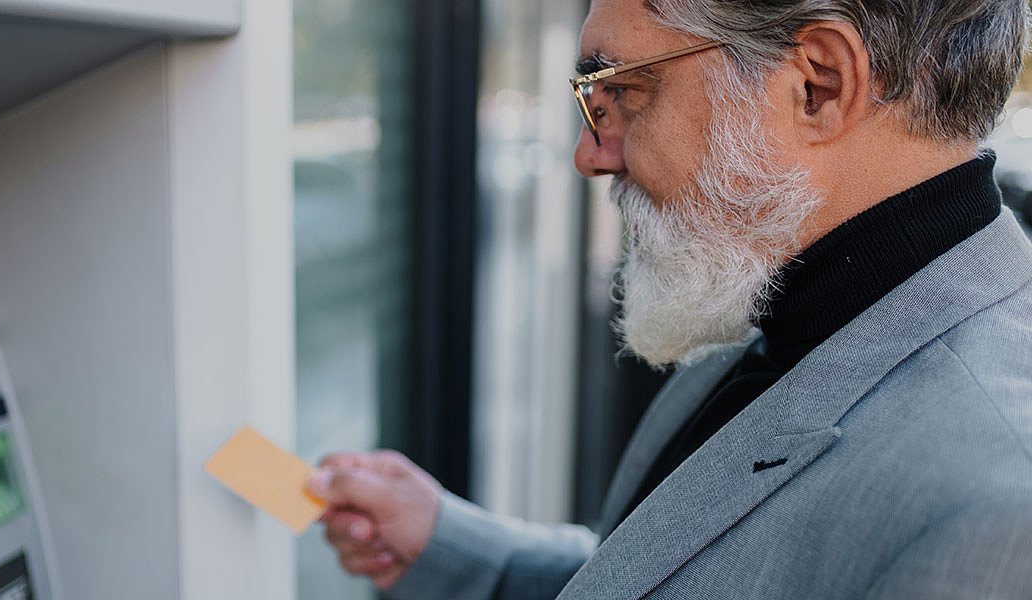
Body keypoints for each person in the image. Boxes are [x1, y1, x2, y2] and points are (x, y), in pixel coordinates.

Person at [307, 0, 1032, 598]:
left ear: (818, 84)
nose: (590, 153)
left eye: (621, 87)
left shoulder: (1000, 501)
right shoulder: (786, 288)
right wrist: (454, 547)